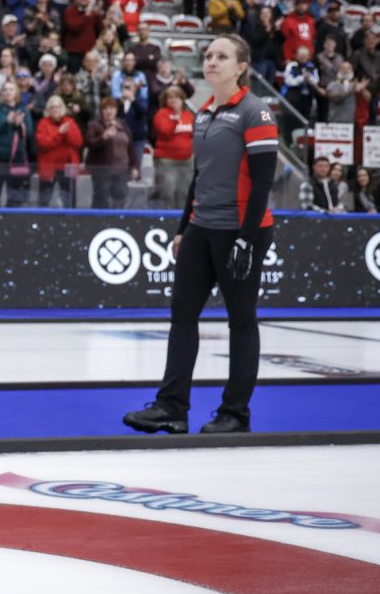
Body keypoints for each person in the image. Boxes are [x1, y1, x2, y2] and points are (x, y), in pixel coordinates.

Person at [124, 35, 279, 435]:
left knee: (241, 322)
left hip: (241, 230)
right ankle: (172, 409)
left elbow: (263, 184)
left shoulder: (255, 112)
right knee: (181, 316)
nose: (211, 62)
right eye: (208, 56)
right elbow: (199, 177)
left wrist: (245, 239)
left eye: (222, 56)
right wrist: (183, 228)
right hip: (201, 227)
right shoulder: (204, 112)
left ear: (241, 66)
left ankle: (235, 414)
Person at [0, 80, 33, 207]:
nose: (8, 92)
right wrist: (6, 122)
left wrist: (20, 125)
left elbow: (29, 132)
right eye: (5, 89)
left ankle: (11, 221)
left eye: (11, 89)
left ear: (16, 92)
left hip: (16, 157)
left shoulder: (23, 109)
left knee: (14, 193)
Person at [84, 97, 137, 208]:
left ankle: (118, 221)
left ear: (116, 110)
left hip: (122, 170)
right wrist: (103, 137)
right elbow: (90, 143)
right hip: (102, 170)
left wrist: (135, 167)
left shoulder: (123, 126)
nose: (109, 111)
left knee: (120, 196)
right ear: (101, 111)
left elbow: (131, 148)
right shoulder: (94, 125)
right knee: (101, 197)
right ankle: (99, 221)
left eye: (112, 108)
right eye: (105, 108)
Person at [151, 85, 195, 208]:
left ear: (182, 100)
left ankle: (182, 219)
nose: (173, 100)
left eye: (176, 97)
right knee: (168, 192)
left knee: (184, 193)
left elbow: (192, 134)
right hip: (167, 161)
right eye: (169, 97)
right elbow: (165, 131)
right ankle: (168, 220)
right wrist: (176, 118)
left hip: (186, 161)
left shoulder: (189, 115)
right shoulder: (161, 114)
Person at [35, 95, 82, 207]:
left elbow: (78, 142)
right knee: (44, 199)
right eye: (52, 107)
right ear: (48, 110)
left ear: (63, 109)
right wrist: (59, 133)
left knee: (70, 199)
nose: (55, 109)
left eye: (58, 106)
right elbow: (43, 143)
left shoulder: (70, 122)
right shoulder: (43, 123)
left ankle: (70, 220)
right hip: (49, 167)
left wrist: (67, 133)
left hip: (68, 167)